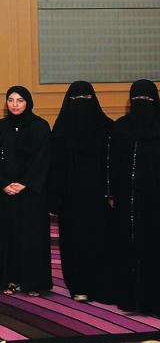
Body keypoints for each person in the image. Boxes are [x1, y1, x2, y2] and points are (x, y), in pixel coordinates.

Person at [49, 80, 113, 303]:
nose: (81, 105)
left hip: (99, 199)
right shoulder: (60, 132)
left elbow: (112, 165)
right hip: (71, 198)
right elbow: (54, 169)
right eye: (76, 100)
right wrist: (56, 198)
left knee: (100, 239)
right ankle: (78, 285)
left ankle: (102, 284)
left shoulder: (106, 128)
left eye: (86, 100)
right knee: (73, 241)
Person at [0, 86, 51, 297]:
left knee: (31, 238)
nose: (14, 105)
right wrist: (3, 183)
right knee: (6, 237)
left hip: (31, 194)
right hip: (5, 194)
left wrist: (25, 183)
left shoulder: (40, 126)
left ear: (28, 103)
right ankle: (9, 279)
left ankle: (32, 282)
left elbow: (43, 159)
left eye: (20, 100)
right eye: (11, 100)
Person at [108, 80, 160, 316]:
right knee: (128, 247)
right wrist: (111, 193)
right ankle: (130, 298)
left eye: (148, 101)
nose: (142, 105)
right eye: (137, 100)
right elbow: (112, 164)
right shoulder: (121, 128)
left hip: (155, 201)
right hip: (126, 200)